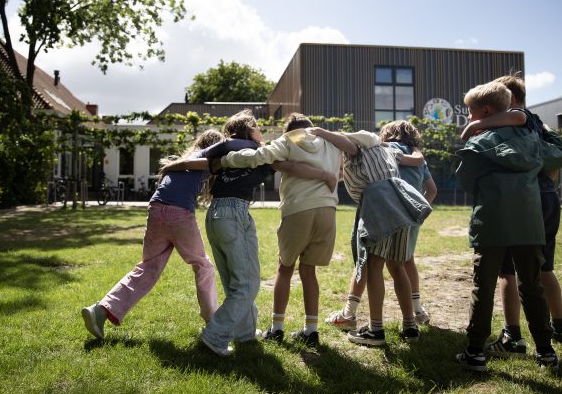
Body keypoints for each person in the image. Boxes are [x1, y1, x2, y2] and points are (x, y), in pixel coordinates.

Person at [162, 110, 337, 357]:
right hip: (234, 213)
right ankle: (215, 335)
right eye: (256, 127)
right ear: (249, 131)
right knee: (247, 284)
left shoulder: (226, 151)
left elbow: (201, 162)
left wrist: (175, 165)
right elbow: (288, 165)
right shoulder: (259, 154)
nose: (261, 132)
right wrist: (324, 174)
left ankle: (244, 332)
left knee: (236, 281)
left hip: (216, 215)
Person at [460, 73, 562, 357]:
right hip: (529, 220)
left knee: (483, 286)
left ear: (485, 112)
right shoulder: (534, 139)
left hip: (491, 222)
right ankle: (546, 350)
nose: (469, 116)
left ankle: (475, 352)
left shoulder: (478, 142)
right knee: (532, 284)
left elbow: (466, 181)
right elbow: (557, 155)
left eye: (470, 111)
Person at [80, 129, 225, 340]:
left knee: (147, 268)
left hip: (156, 209)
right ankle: (213, 323)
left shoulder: (187, 157)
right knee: (203, 266)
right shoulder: (203, 159)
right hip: (179, 214)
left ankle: (100, 311)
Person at [217, 113, 344, 348]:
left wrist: (225, 160)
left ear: (290, 130)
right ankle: (311, 330)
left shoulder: (289, 139)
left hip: (298, 209)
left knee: (284, 267)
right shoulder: (331, 143)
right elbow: (342, 172)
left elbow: (260, 157)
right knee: (309, 270)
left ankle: (276, 328)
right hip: (328, 209)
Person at [312, 127, 431, 346]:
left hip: (379, 202)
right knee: (397, 266)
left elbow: (346, 144)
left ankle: (375, 330)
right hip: (401, 200)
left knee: (374, 266)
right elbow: (417, 160)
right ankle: (410, 326)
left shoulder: (357, 148)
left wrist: (319, 131)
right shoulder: (384, 150)